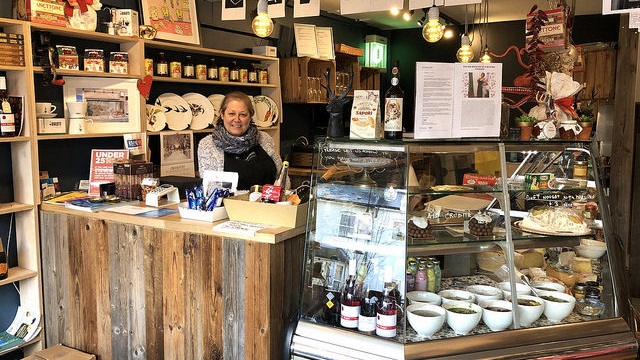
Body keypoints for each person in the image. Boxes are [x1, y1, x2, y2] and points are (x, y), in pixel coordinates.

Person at [198, 91, 282, 190]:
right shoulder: (207, 145)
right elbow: (212, 189)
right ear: (222, 114)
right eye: (231, 113)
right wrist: (253, 197)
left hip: (271, 203)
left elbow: (282, 176)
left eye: (243, 115)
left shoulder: (265, 139)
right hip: (229, 204)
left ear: (250, 116)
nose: (237, 119)